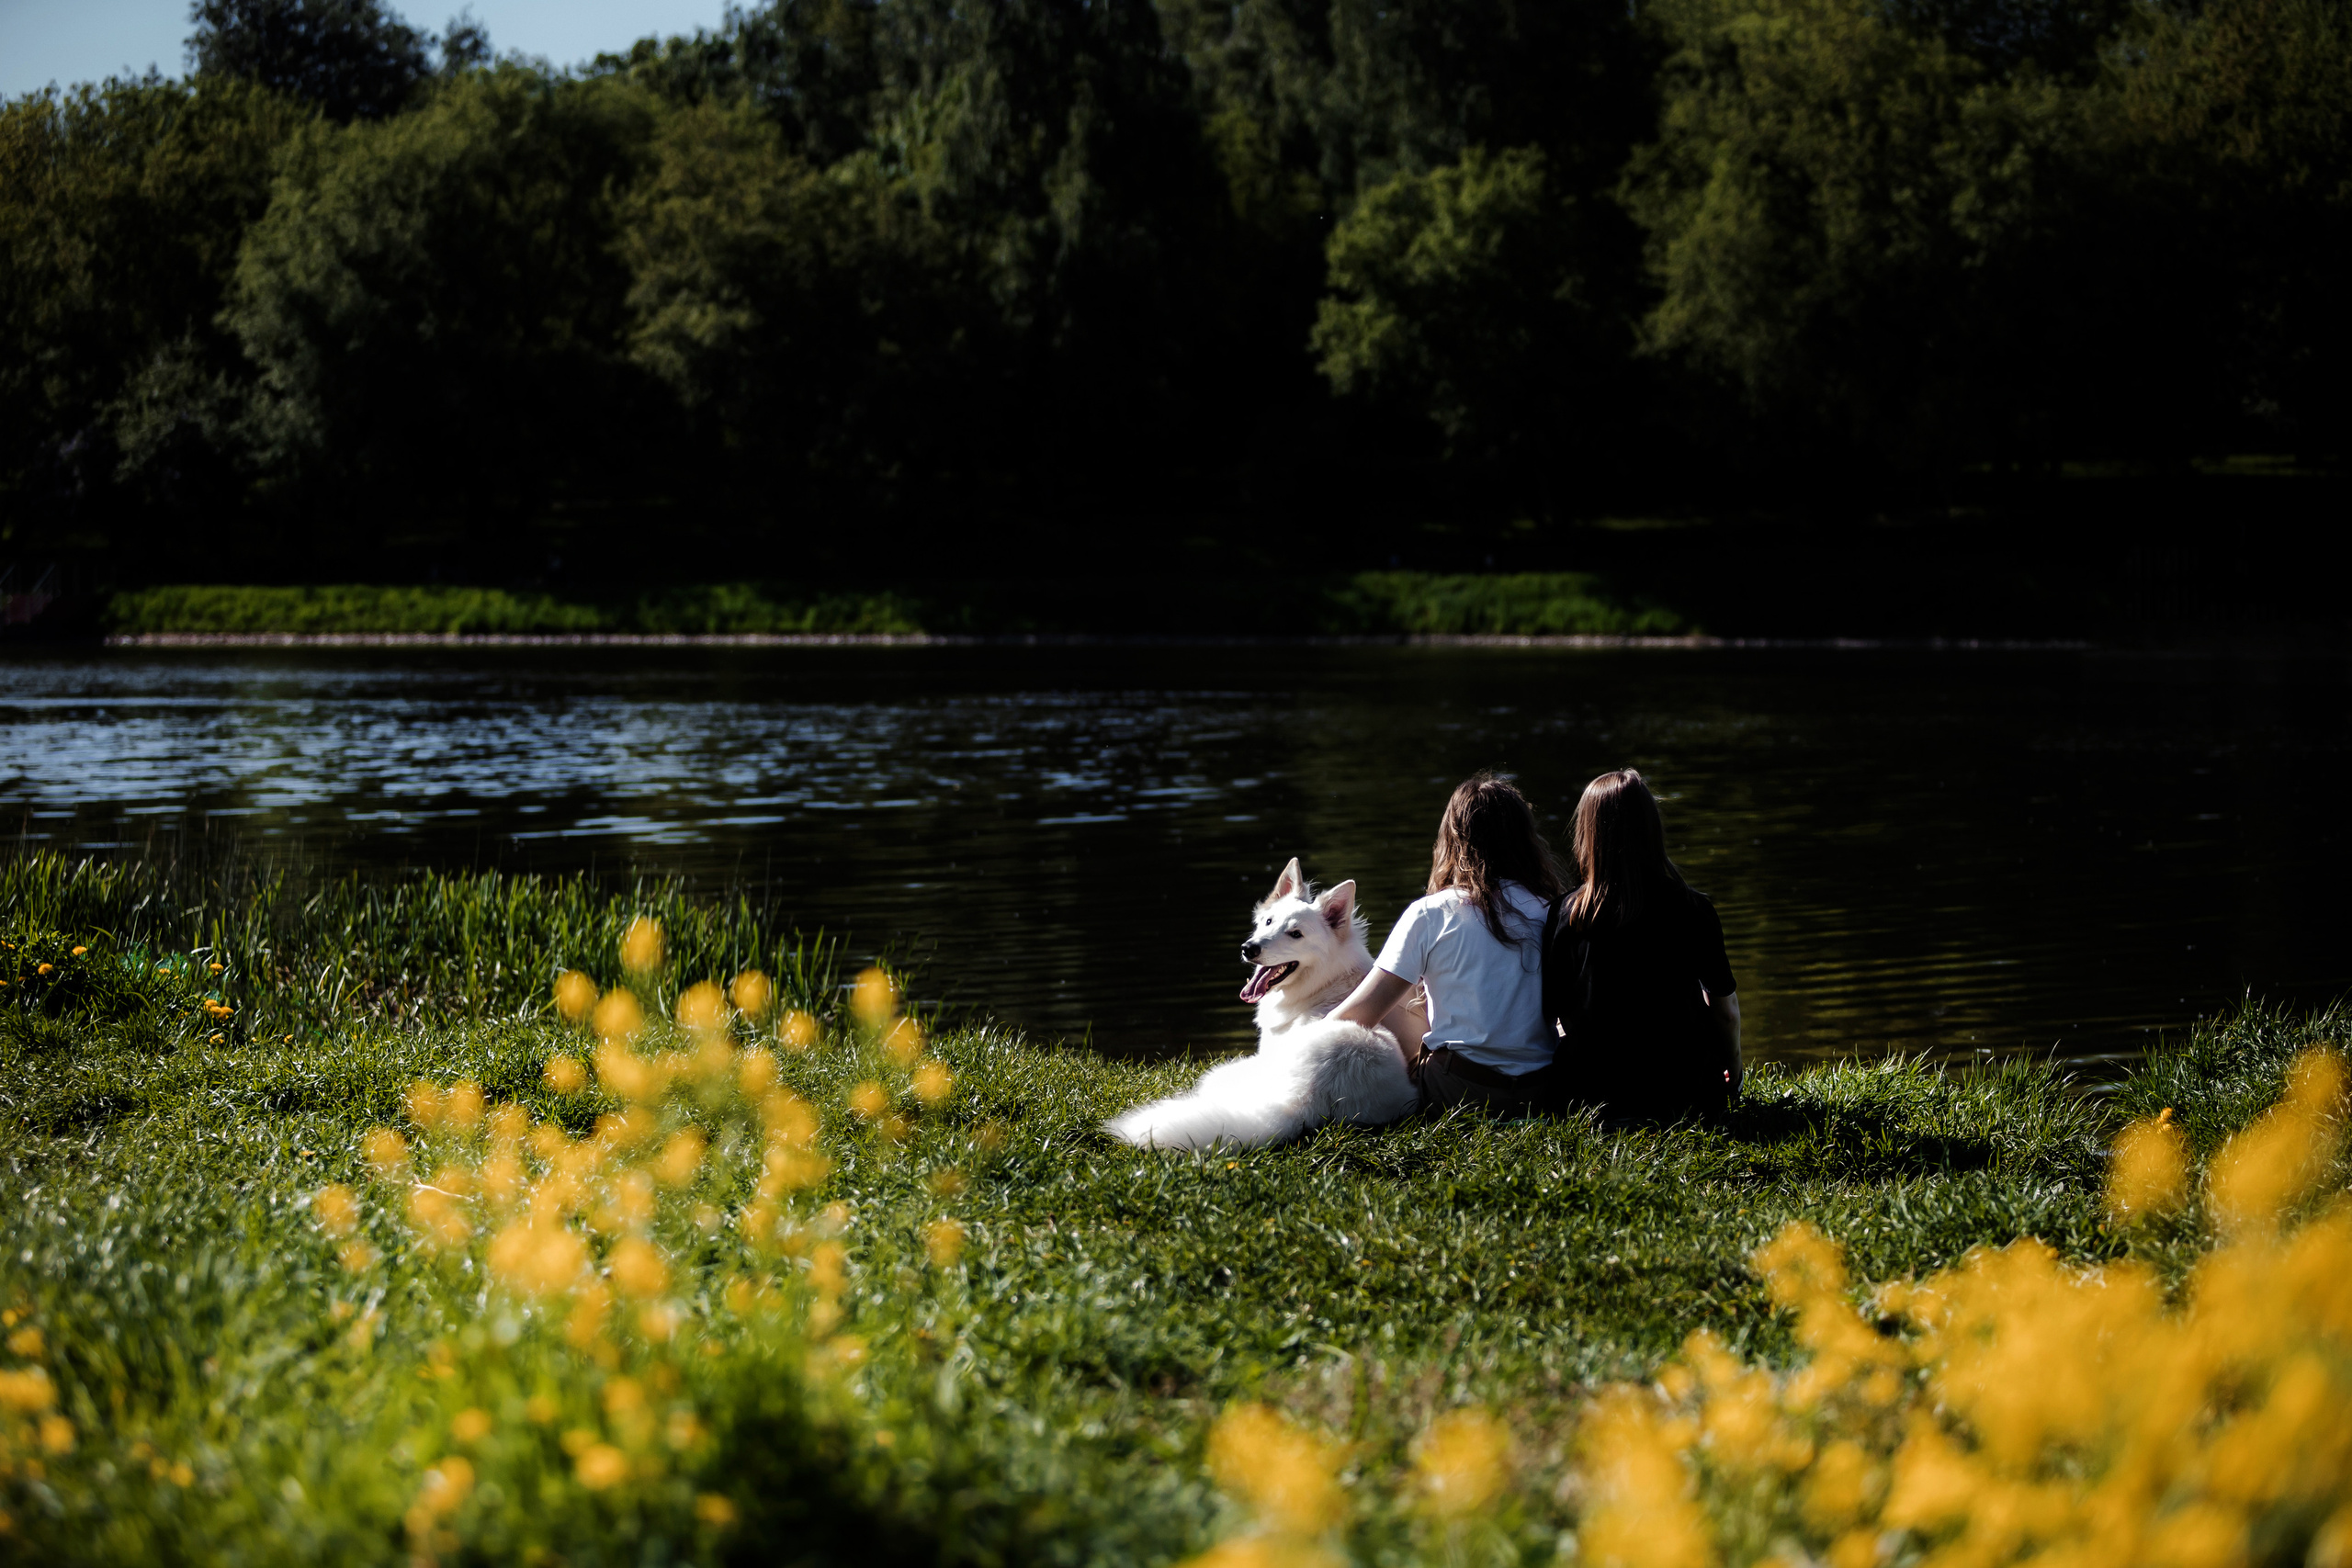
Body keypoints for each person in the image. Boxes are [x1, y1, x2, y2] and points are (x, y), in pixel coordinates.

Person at [1329, 773, 1567, 1113]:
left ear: (1451, 840)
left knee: (1392, 987)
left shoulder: (1431, 913)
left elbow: (1353, 1018)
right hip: (1541, 1092)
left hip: (1460, 1093)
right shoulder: (1553, 909)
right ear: (1526, 840)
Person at [1550, 769, 1741, 1120]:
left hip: (1596, 1103)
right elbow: (1725, 1011)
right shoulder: (1693, 908)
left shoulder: (1566, 915)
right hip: (1687, 1096)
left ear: (1588, 834)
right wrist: (1734, 1068)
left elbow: (1554, 1011)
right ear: (1651, 829)